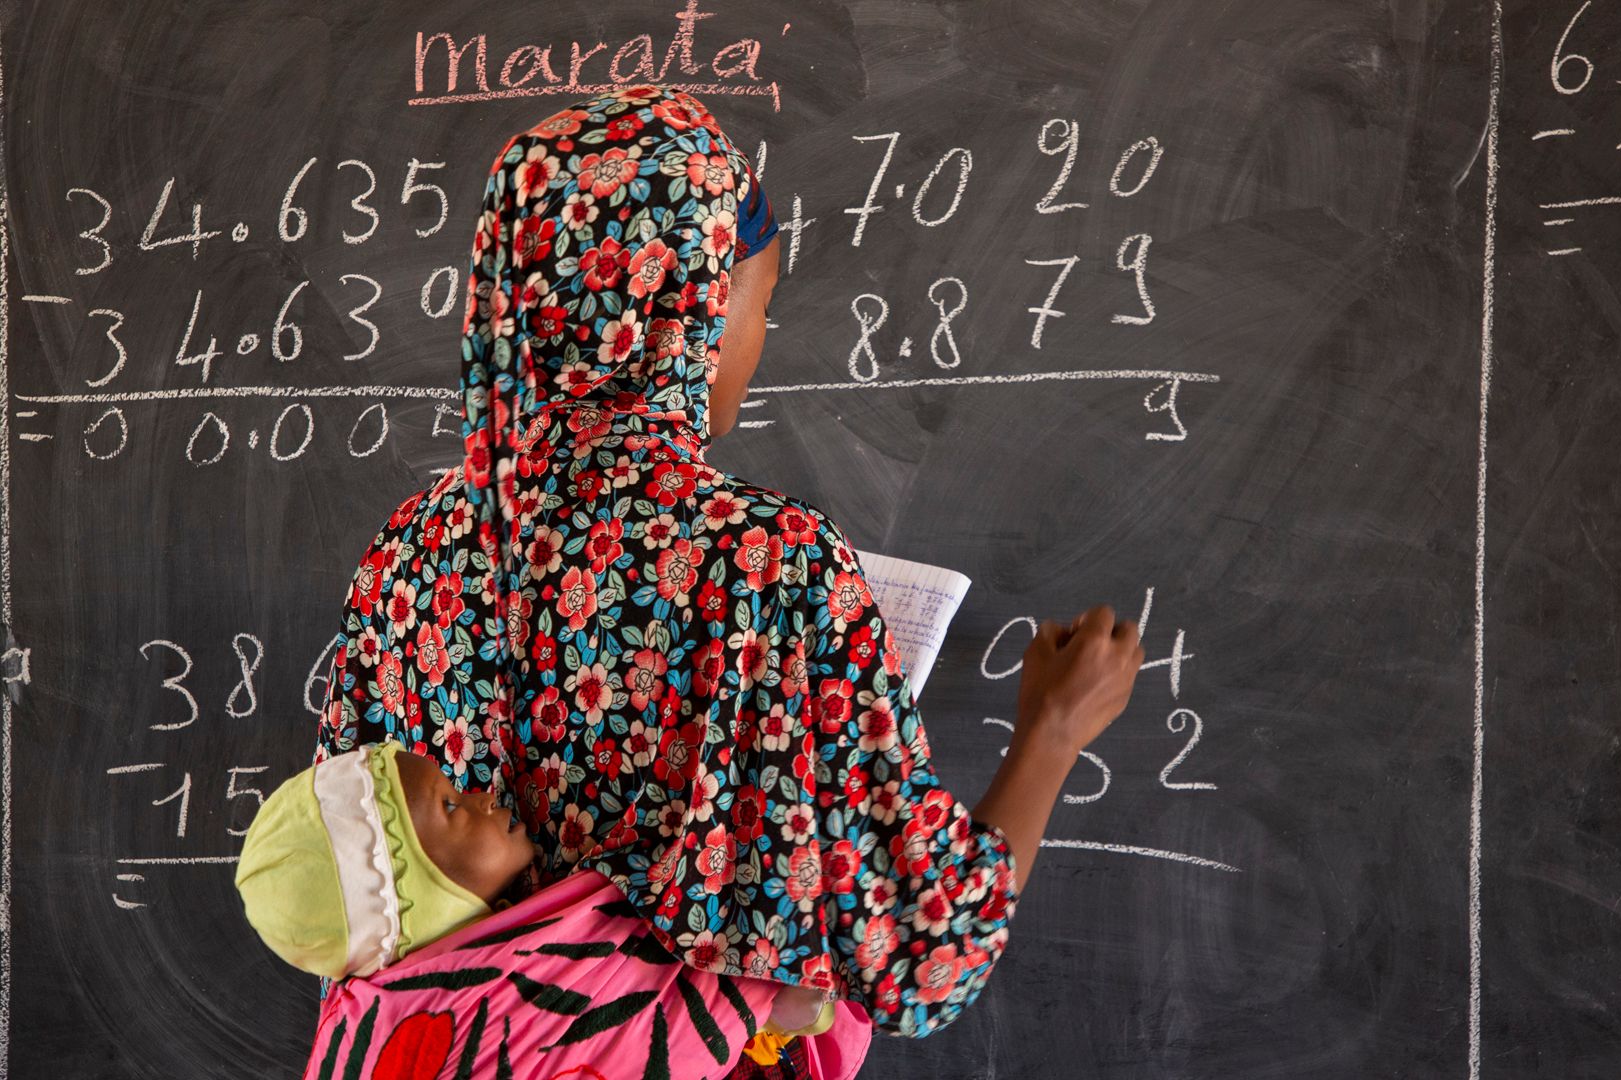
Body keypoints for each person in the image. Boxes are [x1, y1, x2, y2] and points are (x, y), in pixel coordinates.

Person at [311, 83, 1144, 1064]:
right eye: (752, 305)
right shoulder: (766, 563)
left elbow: (343, 880)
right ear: (681, 315)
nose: (749, 344)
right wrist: (1051, 733)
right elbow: (920, 960)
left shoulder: (409, 547)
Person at [234, 742, 865, 1078]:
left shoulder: (362, 1011)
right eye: (451, 808)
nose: (482, 796)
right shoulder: (503, 986)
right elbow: (647, 1036)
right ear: (404, 894)